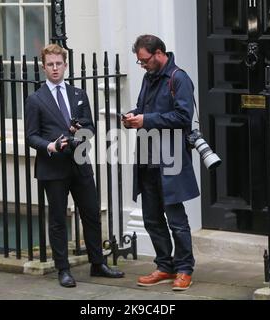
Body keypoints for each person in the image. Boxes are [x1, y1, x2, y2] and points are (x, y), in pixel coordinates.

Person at [25, 43, 124, 288]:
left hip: (80, 162)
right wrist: (51, 146)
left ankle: (98, 263)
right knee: (58, 219)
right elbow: (30, 136)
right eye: (50, 64)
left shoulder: (78, 94)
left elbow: (91, 128)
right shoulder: (35, 99)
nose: (55, 68)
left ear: (65, 65)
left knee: (91, 214)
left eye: (59, 64)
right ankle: (63, 269)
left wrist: (80, 132)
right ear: (43, 67)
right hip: (53, 167)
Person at [122, 35, 200, 291]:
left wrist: (147, 120)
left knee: (176, 219)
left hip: (171, 159)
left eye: (144, 60)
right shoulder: (149, 77)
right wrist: (134, 115)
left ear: (158, 54)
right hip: (147, 159)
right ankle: (165, 266)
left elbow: (182, 117)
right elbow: (146, 108)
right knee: (152, 218)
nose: (141, 65)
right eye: (139, 61)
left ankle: (184, 269)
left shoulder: (179, 78)